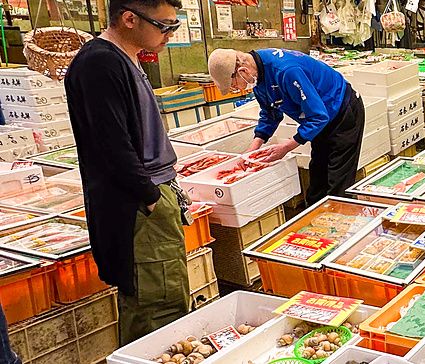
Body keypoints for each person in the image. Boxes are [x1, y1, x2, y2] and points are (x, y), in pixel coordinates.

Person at [64, 0, 189, 345]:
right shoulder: (99, 63)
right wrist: (150, 198)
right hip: (137, 205)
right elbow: (111, 146)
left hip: (152, 194)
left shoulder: (127, 56)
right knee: (156, 306)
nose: (169, 35)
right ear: (129, 19)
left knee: (168, 297)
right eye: (164, 26)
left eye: (174, 26)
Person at [207, 48, 365, 204]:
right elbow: (270, 113)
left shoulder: (286, 70)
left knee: (338, 183)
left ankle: (340, 221)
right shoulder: (257, 76)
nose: (239, 90)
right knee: (318, 180)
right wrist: (251, 151)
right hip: (320, 120)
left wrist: (287, 147)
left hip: (342, 112)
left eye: (234, 85)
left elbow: (318, 116)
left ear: (243, 71)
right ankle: (316, 220)